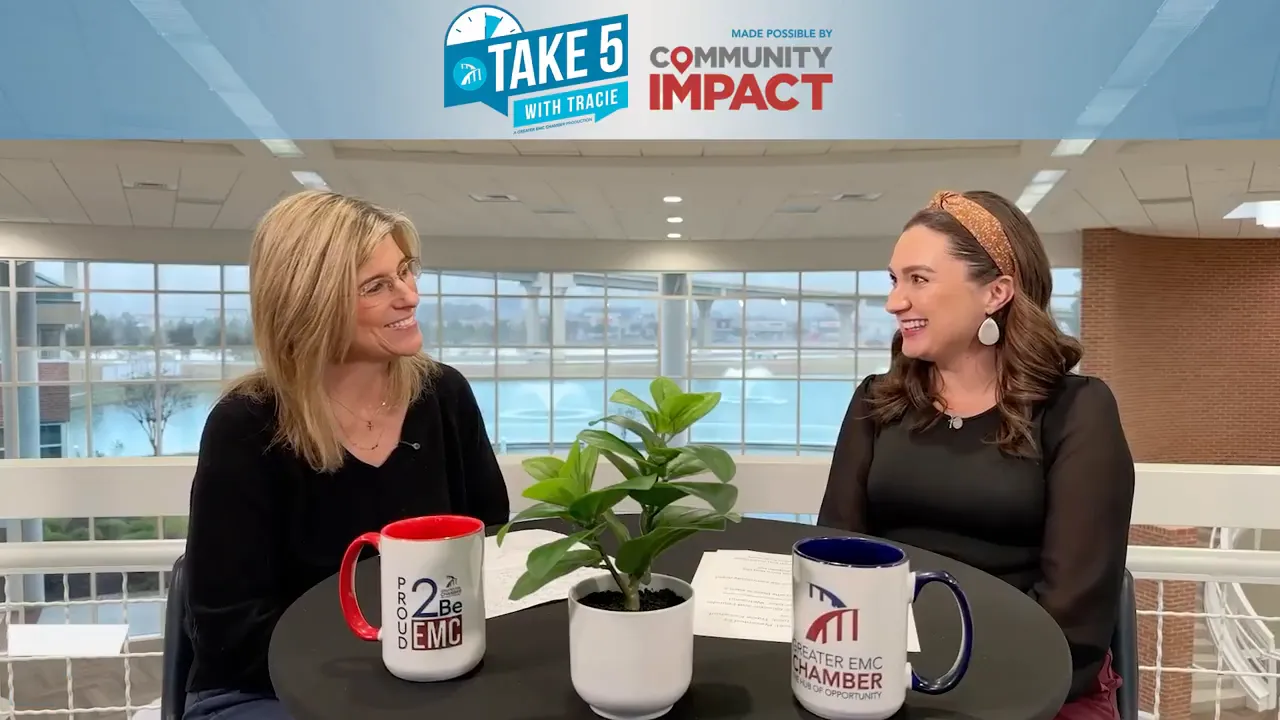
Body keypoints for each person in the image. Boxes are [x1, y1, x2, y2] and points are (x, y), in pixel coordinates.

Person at [181, 190, 510, 720]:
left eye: (406, 272)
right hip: (268, 690)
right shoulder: (246, 424)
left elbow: (491, 544)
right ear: (311, 303)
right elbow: (230, 629)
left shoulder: (444, 395)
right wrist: (391, 666)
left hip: (427, 678)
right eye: (377, 286)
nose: (410, 296)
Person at [817, 190, 1134, 720]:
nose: (895, 302)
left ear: (996, 293)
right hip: (883, 672)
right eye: (894, 281)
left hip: (1030, 680)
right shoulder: (876, 400)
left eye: (918, 279)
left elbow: (1073, 625)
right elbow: (837, 560)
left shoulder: (1078, 410)